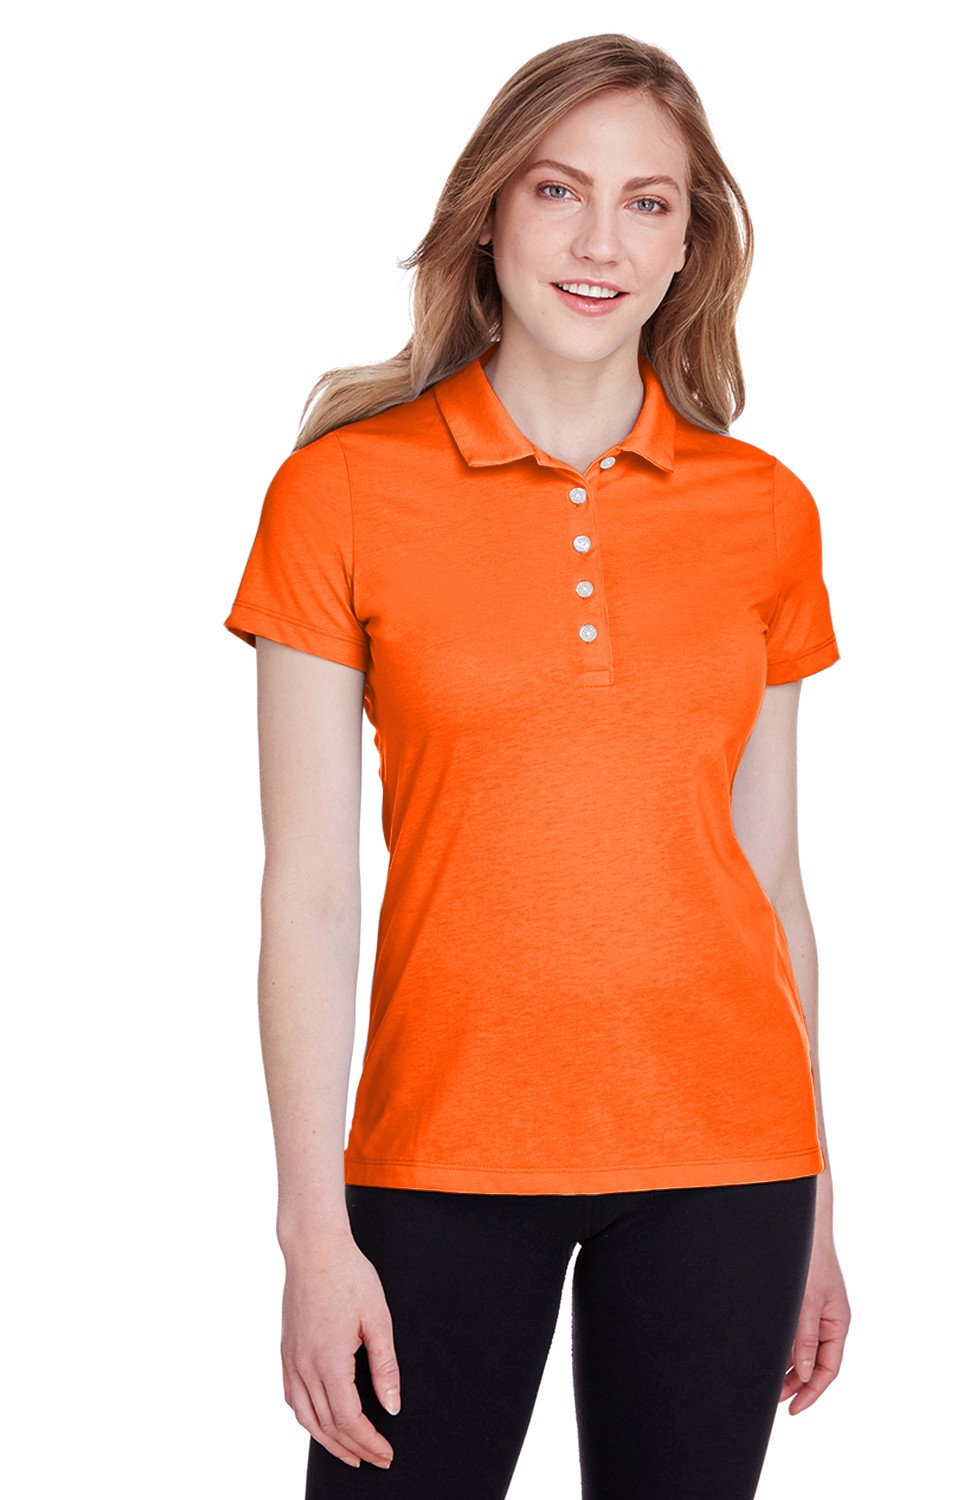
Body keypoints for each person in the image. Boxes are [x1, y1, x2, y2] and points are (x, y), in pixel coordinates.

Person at [224, 32, 851, 1500]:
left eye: (649, 202)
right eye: (559, 190)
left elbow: (771, 878)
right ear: (489, 212)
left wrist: (819, 1201)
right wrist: (312, 1233)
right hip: (438, 1157)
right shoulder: (340, 494)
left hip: (730, 1162)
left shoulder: (766, 513)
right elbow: (309, 891)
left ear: (690, 245)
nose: (599, 242)